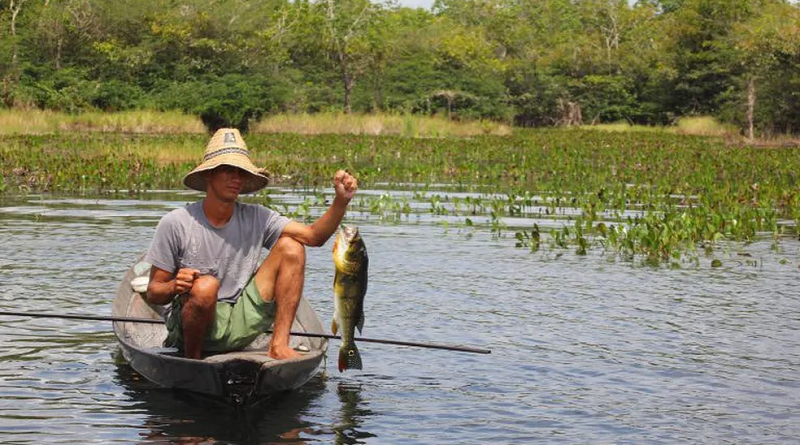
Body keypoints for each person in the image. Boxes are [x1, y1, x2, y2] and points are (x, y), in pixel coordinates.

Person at [144, 128, 357, 360]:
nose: (236, 178)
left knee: (292, 247)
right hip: (194, 325)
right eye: (227, 170)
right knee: (206, 287)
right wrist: (175, 285)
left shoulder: (257, 216)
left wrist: (340, 202)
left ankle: (279, 345)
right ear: (208, 175)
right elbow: (154, 293)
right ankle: (192, 360)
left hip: (241, 317)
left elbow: (313, 236)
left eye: (241, 172)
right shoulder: (176, 223)